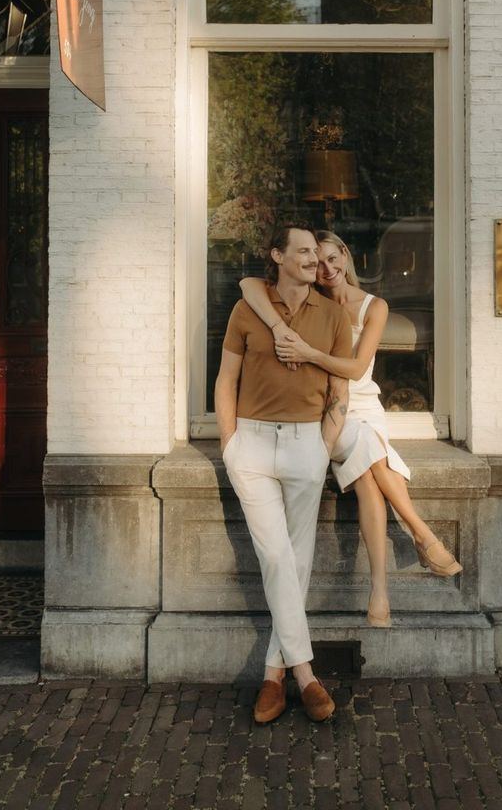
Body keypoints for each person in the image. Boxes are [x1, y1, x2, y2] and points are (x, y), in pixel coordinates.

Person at [240, 229, 462, 630]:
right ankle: (419, 535)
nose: (327, 268)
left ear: (345, 254)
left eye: (333, 257)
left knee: (367, 477)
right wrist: (279, 328)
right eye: (318, 262)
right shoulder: (313, 303)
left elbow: (358, 369)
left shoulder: (373, 306)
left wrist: (308, 353)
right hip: (332, 408)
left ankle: (381, 591)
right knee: (365, 452)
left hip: (367, 405)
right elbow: (248, 284)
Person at [215, 222, 352, 725]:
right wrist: (229, 443)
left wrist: (324, 446)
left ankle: (273, 676)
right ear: (277, 256)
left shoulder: (334, 313)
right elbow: (226, 378)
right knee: (276, 556)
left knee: (297, 561)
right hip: (250, 444)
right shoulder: (248, 308)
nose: (314, 259)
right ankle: (307, 676)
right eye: (303, 252)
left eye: (316, 252)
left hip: (305, 445)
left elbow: (341, 386)